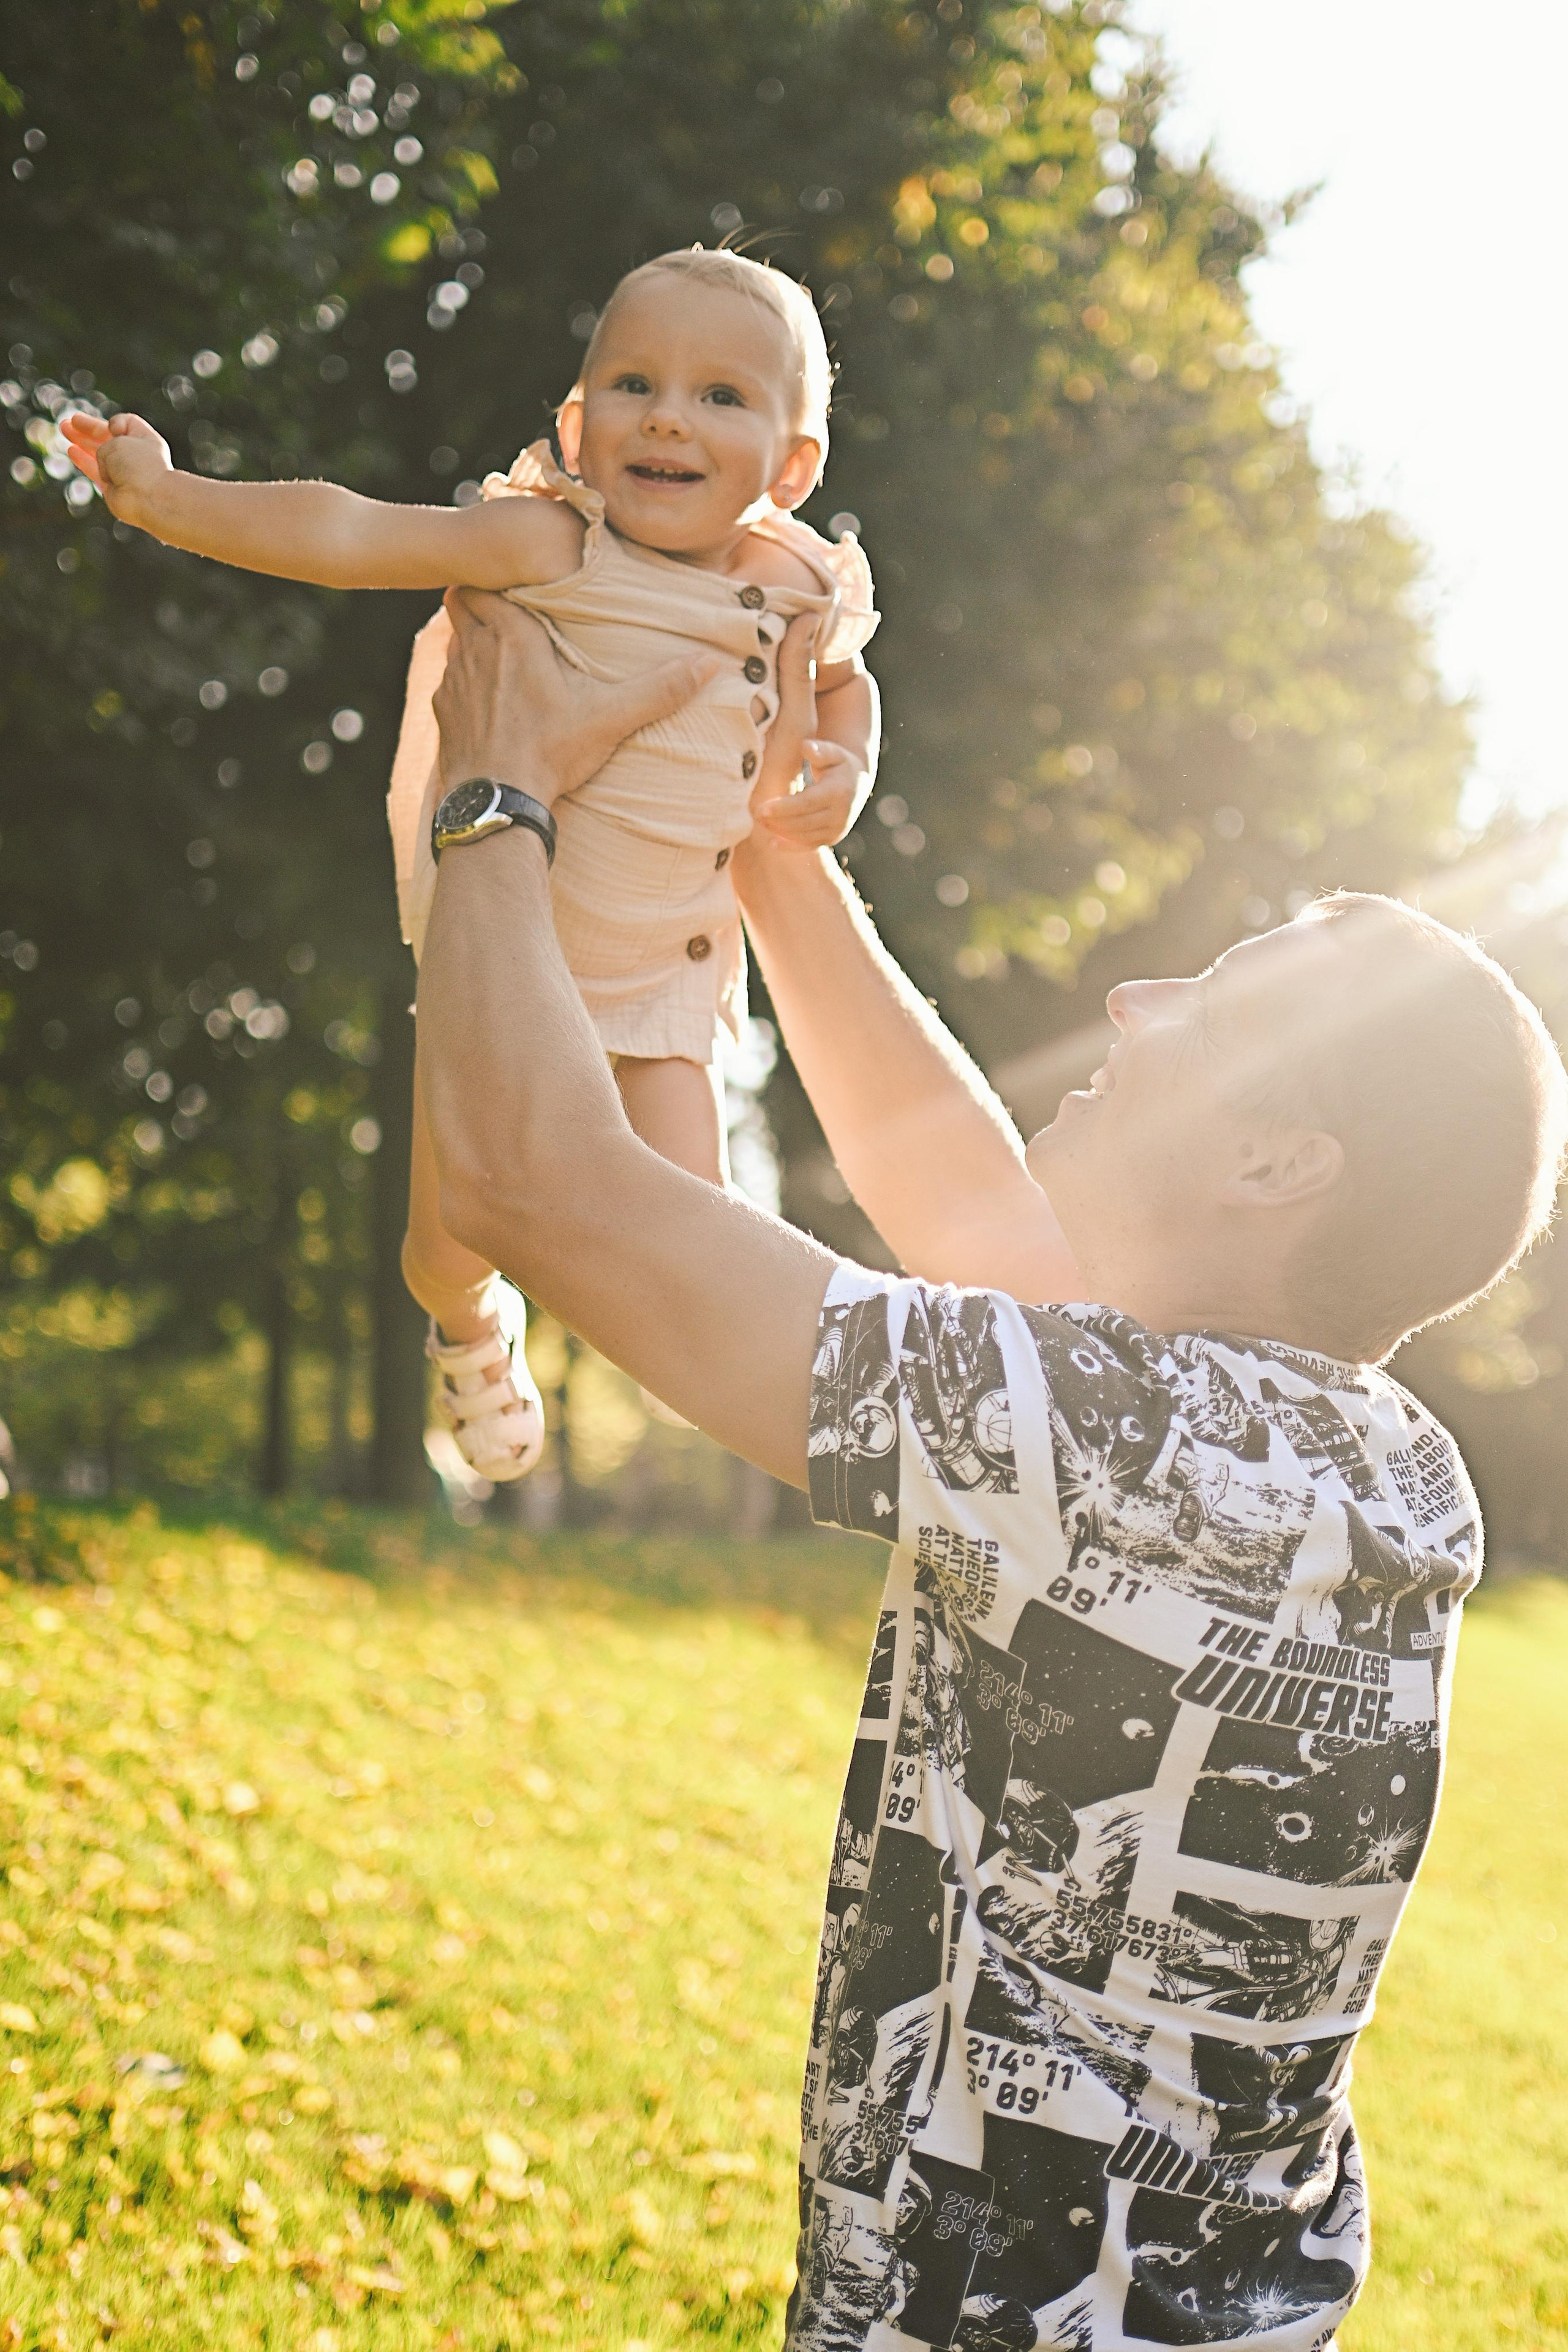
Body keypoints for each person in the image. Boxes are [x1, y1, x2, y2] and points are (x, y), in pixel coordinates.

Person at [418, 591, 1564, 2350]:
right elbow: (961, 1203)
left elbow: (529, 1181)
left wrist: (493, 786)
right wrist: (779, 861)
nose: (1133, 992)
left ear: (1275, 1162)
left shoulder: (1114, 1438)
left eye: (1217, 997)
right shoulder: (1365, 1469)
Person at [61, 246, 880, 1476]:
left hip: (665, 974)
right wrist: (171, 498)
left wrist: (848, 766)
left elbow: (842, 687)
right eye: (632, 384)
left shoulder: (800, 584)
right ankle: (464, 1325)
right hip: (507, 963)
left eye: (721, 397)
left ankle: (718, 1391)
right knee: (452, 1238)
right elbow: (349, 531)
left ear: (793, 464)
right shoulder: (549, 547)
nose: (666, 414)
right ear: (576, 421)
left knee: (697, 1235)